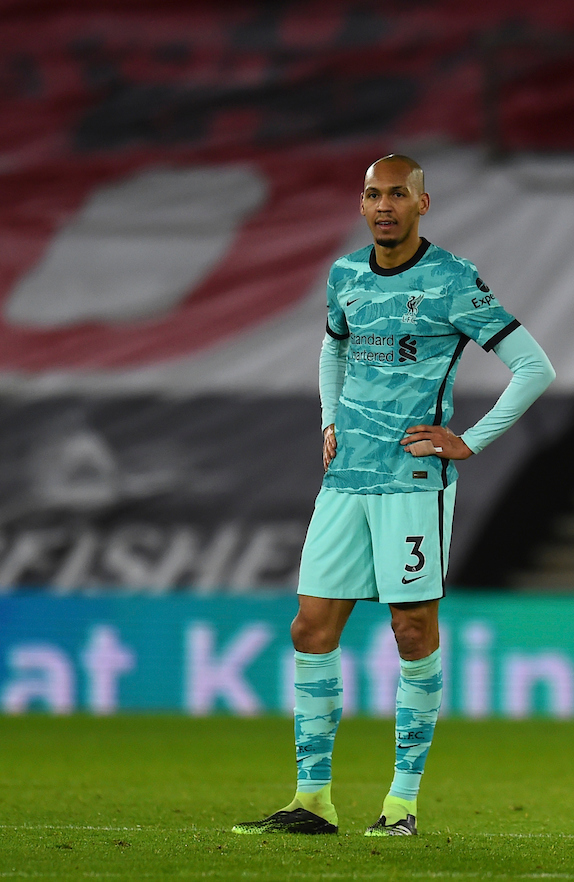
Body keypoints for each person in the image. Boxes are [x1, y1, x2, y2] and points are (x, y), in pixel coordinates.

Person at [233, 154, 555, 837]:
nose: (384, 205)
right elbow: (333, 347)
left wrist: (470, 439)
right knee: (310, 628)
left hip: (413, 483)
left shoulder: (453, 280)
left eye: (398, 195)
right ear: (362, 204)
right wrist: (328, 420)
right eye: (374, 194)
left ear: (422, 204)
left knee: (411, 629)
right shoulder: (345, 274)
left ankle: (401, 803)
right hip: (346, 477)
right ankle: (312, 800)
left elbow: (534, 366)